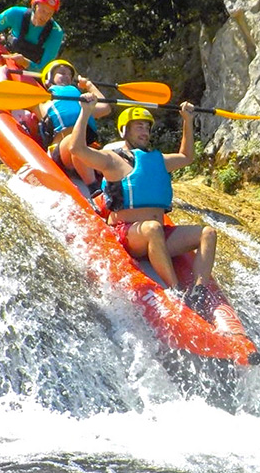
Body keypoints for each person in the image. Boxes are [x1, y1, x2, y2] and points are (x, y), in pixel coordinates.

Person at [69, 93, 218, 317]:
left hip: (159, 235)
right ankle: (176, 291)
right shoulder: (112, 160)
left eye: (147, 128)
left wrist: (187, 119)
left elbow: (186, 157)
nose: (144, 132)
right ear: (124, 131)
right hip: (129, 234)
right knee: (152, 228)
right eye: (138, 127)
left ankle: (198, 292)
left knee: (208, 233)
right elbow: (77, 150)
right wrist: (85, 111)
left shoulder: (158, 160)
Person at [0, 0, 64, 161]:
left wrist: (26, 63)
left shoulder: (55, 33)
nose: (44, 16)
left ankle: (46, 154)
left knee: (36, 112)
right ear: (34, 5)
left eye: (49, 13)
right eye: (42, 10)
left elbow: (45, 67)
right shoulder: (15, 13)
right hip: (5, 66)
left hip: (31, 73)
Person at [40, 59, 111, 190]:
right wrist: (2, 72)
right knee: (75, 141)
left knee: (114, 152)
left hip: (88, 152)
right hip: (62, 153)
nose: (66, 76)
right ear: (48, 80)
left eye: (69, 74)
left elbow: (105, 107)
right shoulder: (42, 103)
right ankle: (94, 189)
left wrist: (89, 85)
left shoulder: (83, 104)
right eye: (61, 72)